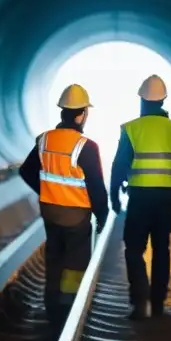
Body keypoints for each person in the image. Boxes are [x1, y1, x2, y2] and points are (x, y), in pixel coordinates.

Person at [18, 83, 109, 325]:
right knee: (75, 263)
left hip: (50, 211)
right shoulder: (86, 146)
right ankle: (68, 310)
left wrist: (46, 191)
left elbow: (26, 171)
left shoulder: (44, 140)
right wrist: (102, 214)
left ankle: (52, 308)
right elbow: (96, 186)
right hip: (77, 215)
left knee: (55, 258)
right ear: (81, 115)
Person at [110, 75, 171, 320]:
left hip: (140, 196)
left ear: (141, 100)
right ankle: (158, 304)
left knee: (134, 248)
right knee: (161, 247)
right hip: (167, 196)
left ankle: (139, 300)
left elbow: (119, 165)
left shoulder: (131, 128)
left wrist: (114, 195)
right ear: (164, 100)